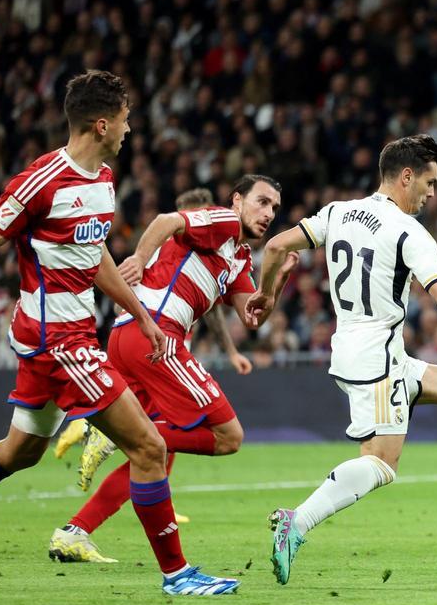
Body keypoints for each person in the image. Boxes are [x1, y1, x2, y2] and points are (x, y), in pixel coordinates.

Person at [0, 70, 238, 596]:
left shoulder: (104, 181)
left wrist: (139, 312)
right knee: (148, 446)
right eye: (124, 119)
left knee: (19, 452)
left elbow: (94, 259)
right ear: (100, 124)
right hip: (57, 342)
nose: (129, 128)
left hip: (68, 337)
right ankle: (177, 575)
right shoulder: (41, 180)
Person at [247, 134, 437, 585]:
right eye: (429, 182)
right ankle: (296, 523)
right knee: (380, 464)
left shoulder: (338, 212)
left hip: (360, 347)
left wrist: (268, 294)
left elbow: (276, 247)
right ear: (406, 176)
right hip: (377, 356)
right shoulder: (408, 231)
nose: (432, 193)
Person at [47, 177, 296, 563]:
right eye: (262, 202)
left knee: (153, 456)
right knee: (227, 435)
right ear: (237, 200)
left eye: (274, 208)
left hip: (137, 338)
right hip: (155, 335)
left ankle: (76, 530)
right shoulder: (223, 222)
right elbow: (167, 221)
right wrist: (139, 259)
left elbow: (252, 316)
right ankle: (111, 435)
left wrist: (276, 283)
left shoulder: (240, 256)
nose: (268, 213)